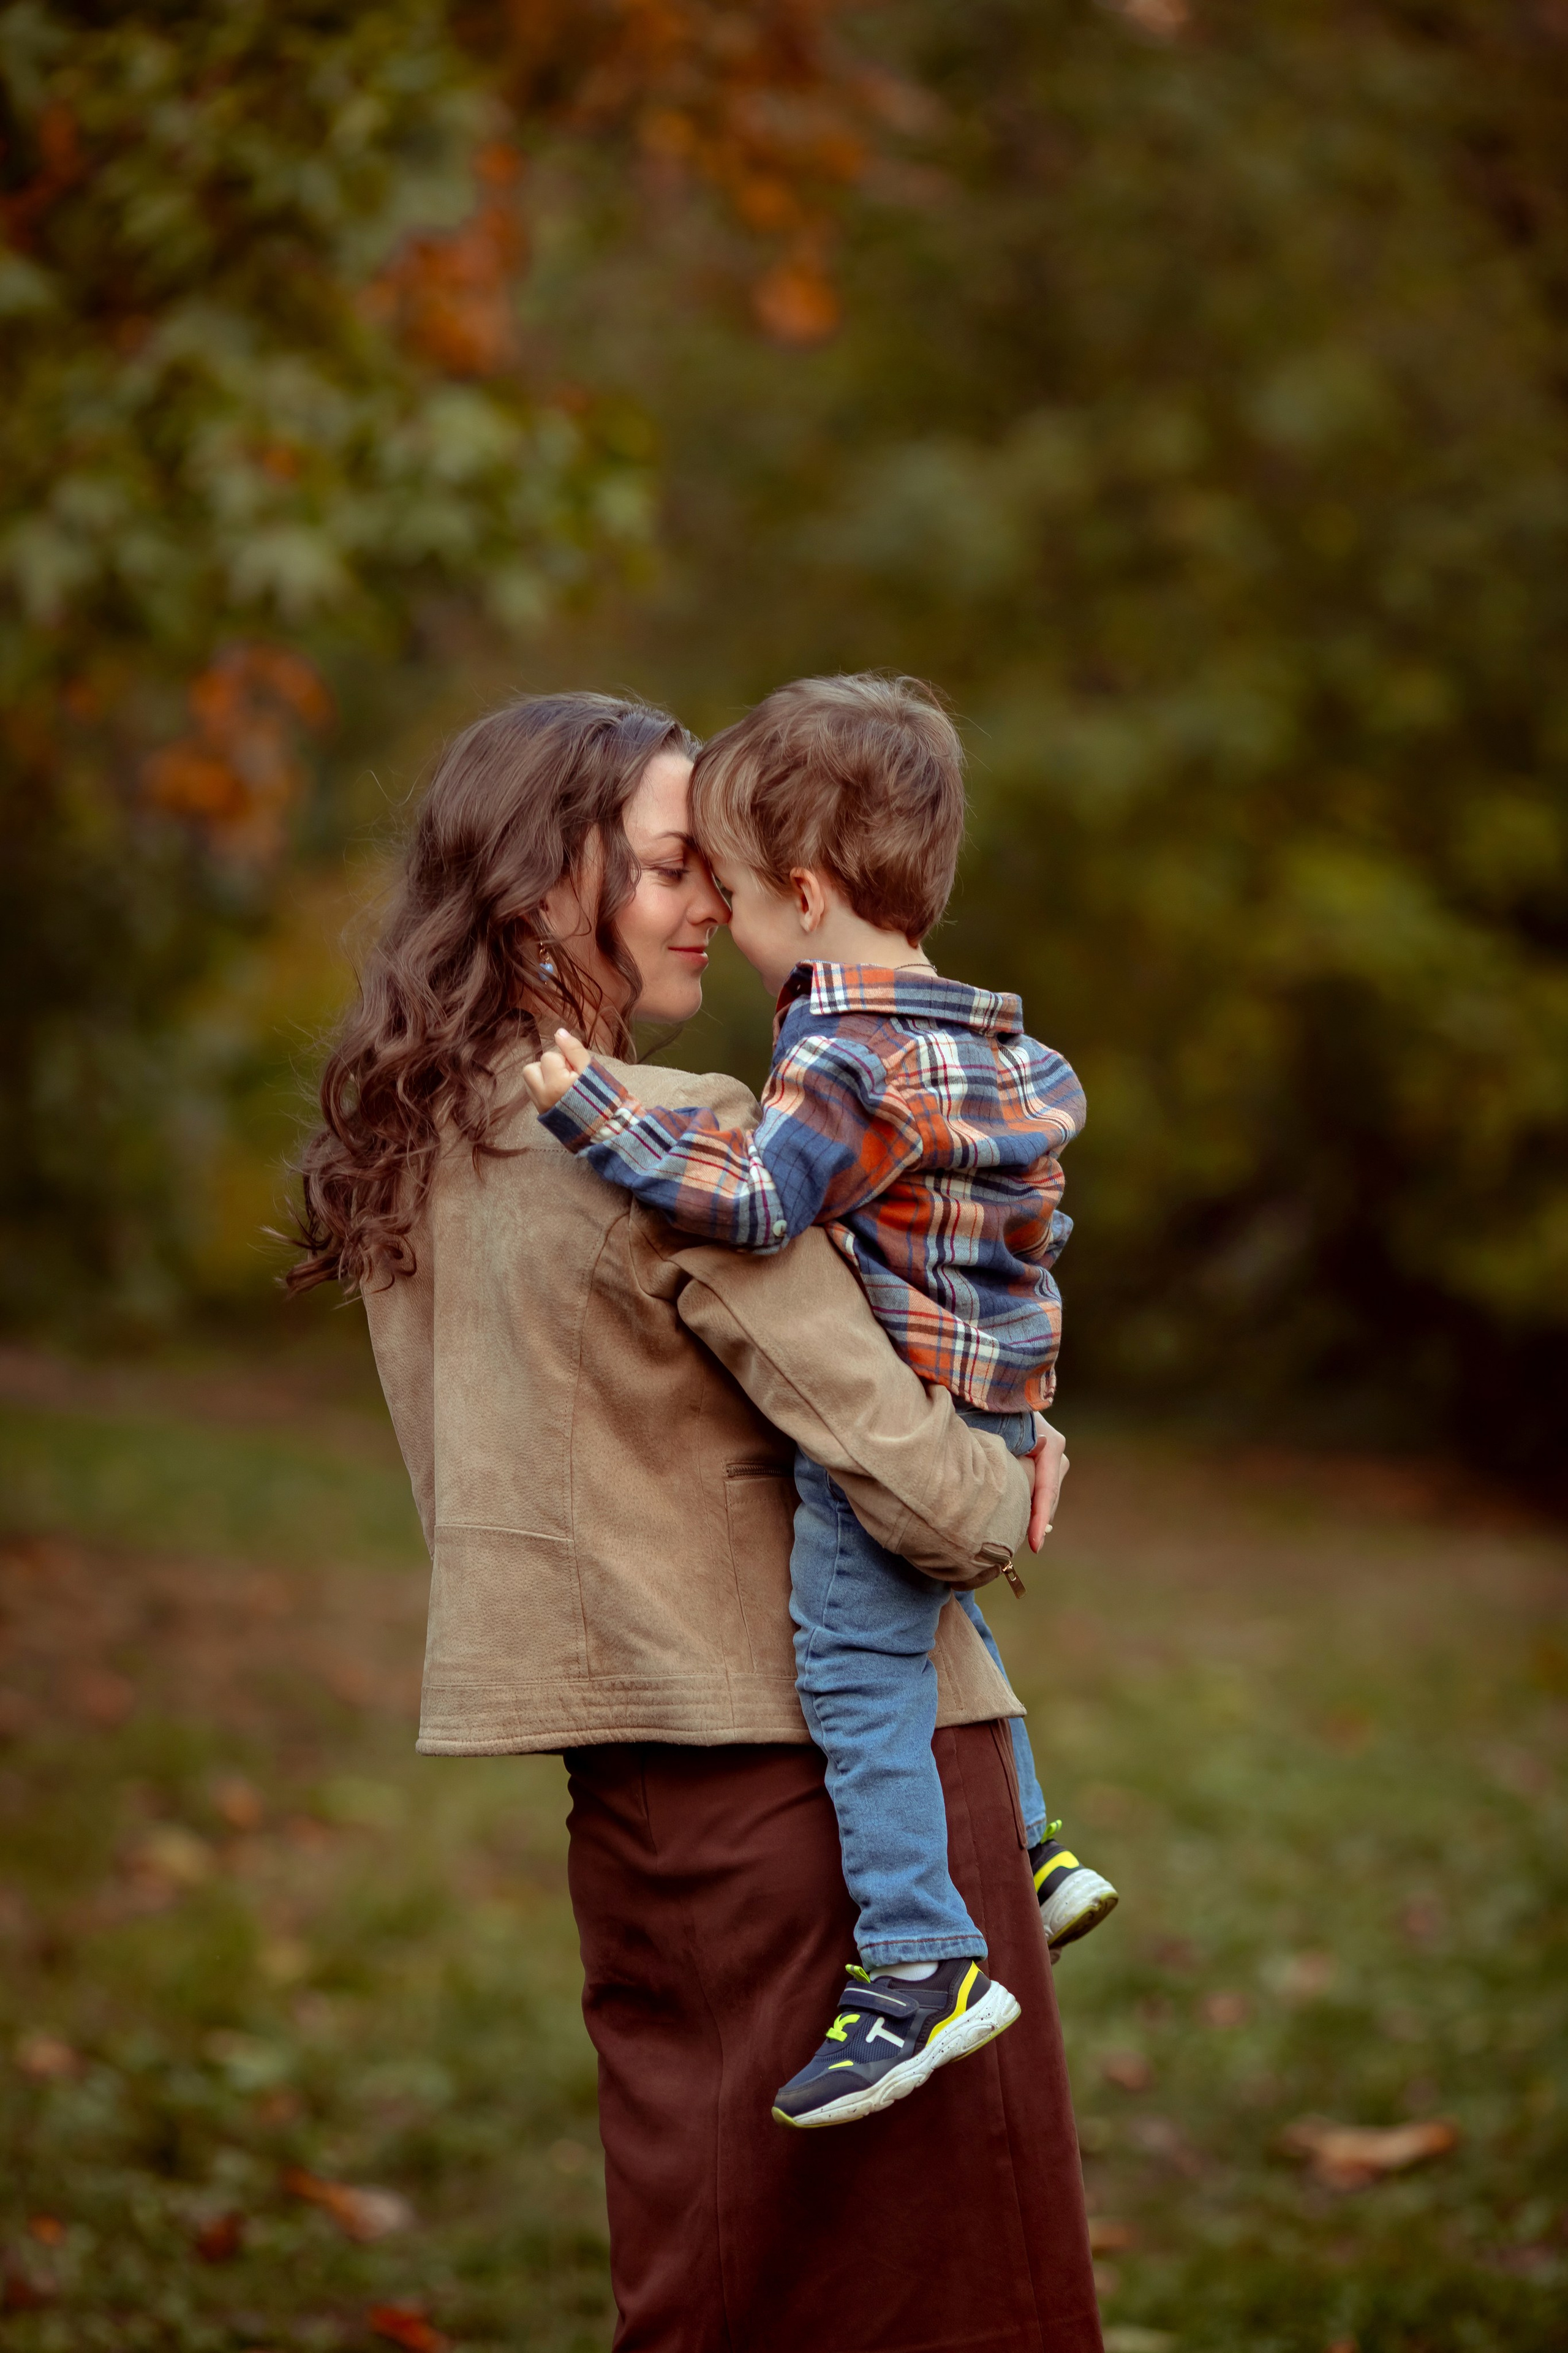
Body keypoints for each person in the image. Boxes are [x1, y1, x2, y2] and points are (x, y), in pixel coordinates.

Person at [290, 691, 1104, 2353]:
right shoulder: (677, 1136)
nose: (713, 907)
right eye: (672, 867)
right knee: (939, 2304)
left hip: (637, 1809)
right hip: (844, 1800)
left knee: (713, 2279)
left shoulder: (427, 1146)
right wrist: (1015, 1465)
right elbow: (920, 1487)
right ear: (545, 884)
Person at [522, 674, 1117, 2129]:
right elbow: (1032, 1236)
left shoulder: (839, 1056)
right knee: (936, 1617)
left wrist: (600, 1114)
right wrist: (1020, 1401)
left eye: (725, 890)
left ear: (802, 893)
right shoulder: (1001, 1049)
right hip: (985, 1401)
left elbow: (751, 1203)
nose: (716, 921)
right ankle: (1031, 1843)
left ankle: (920, 1957)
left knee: (854, 1665)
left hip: (896, 1405)